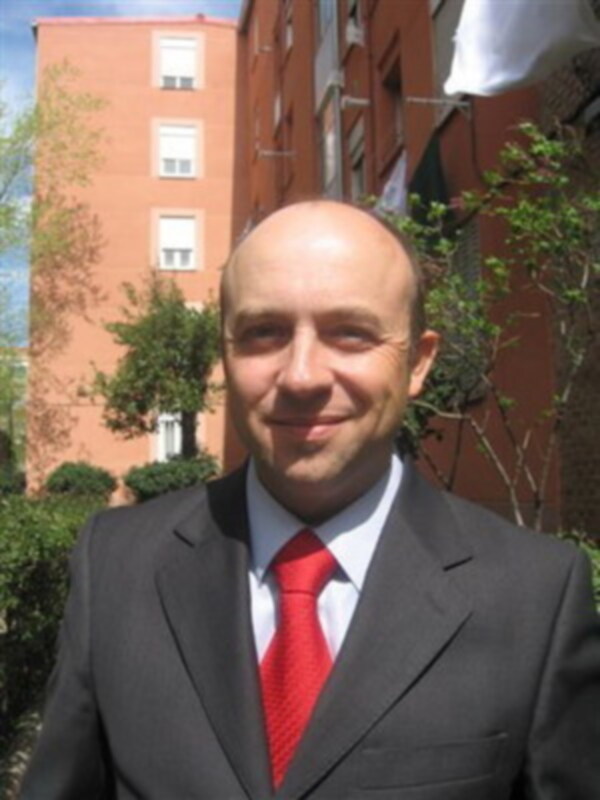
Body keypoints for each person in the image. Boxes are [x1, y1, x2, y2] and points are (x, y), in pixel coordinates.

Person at [21, 201, 599, 799]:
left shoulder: (536, 597)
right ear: (225, 354)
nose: (301, 376)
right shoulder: (117, 566)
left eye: (350, 334)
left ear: (418, 361)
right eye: (263, 333)